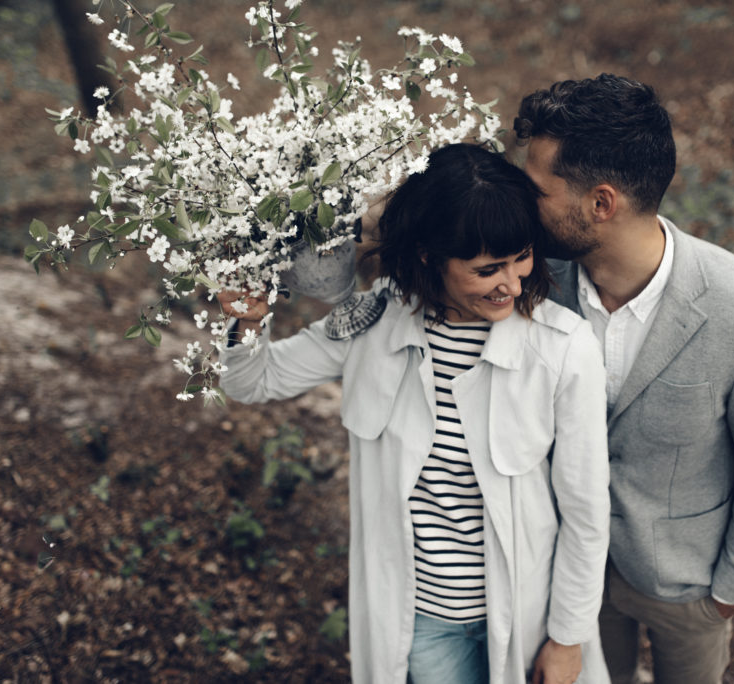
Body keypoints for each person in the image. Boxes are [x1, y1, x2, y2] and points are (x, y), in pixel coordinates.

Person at [218, 143, 612, 684]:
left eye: (521, 258)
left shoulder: (565, 350)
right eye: (486, 269)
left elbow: (586, 516)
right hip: (421, 621)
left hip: (526, 616)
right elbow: (251, 381)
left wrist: (567, 640)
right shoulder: (375, 319)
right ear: (429, 256)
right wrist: (245, 321)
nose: (513, 284)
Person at [513, 75, 734, 684]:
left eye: (536, 191)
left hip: (690, 588)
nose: (521, 206)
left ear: (601, 203)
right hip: (572, 577)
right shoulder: (528, 283)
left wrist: (730, 591)